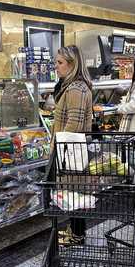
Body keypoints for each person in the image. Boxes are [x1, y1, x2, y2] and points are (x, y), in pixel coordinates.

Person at [51, 45, 93, 246]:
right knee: (73, 192)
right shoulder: (73, 86)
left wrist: (60, 151)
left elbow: (73, 126)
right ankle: (75, 231)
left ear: (72, 64)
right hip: (71, 149)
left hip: (70, 150)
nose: (56, 67)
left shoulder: (76, 88)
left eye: (59, 63)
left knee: (74, 193)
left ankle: (77, 236)